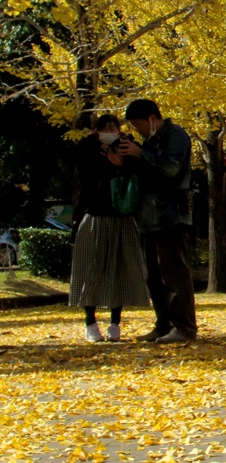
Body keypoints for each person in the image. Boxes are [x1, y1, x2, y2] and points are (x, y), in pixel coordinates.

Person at [121, 99, 197, 344]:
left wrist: (140, 152)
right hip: (148, 216)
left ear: (152, 118)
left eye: (138, 123)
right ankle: (163, 325)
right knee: (153, 276)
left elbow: (171, 168)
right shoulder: (150, 141)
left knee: (173, 272)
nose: (137, 129)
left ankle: (184, 327)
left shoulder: (175, 135)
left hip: (170, 213)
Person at [68, 114, 149, 342]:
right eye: (103, 128)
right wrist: (100, 150)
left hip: (122, 216)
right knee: (90, 269)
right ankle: (90, 323)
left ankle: (115, 323)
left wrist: (126, 152)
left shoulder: (129, 145)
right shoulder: (88, 148)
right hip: (94, 215)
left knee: (120, 269)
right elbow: (84, 173)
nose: (109, 131)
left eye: (112, 127)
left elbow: (141, 171)